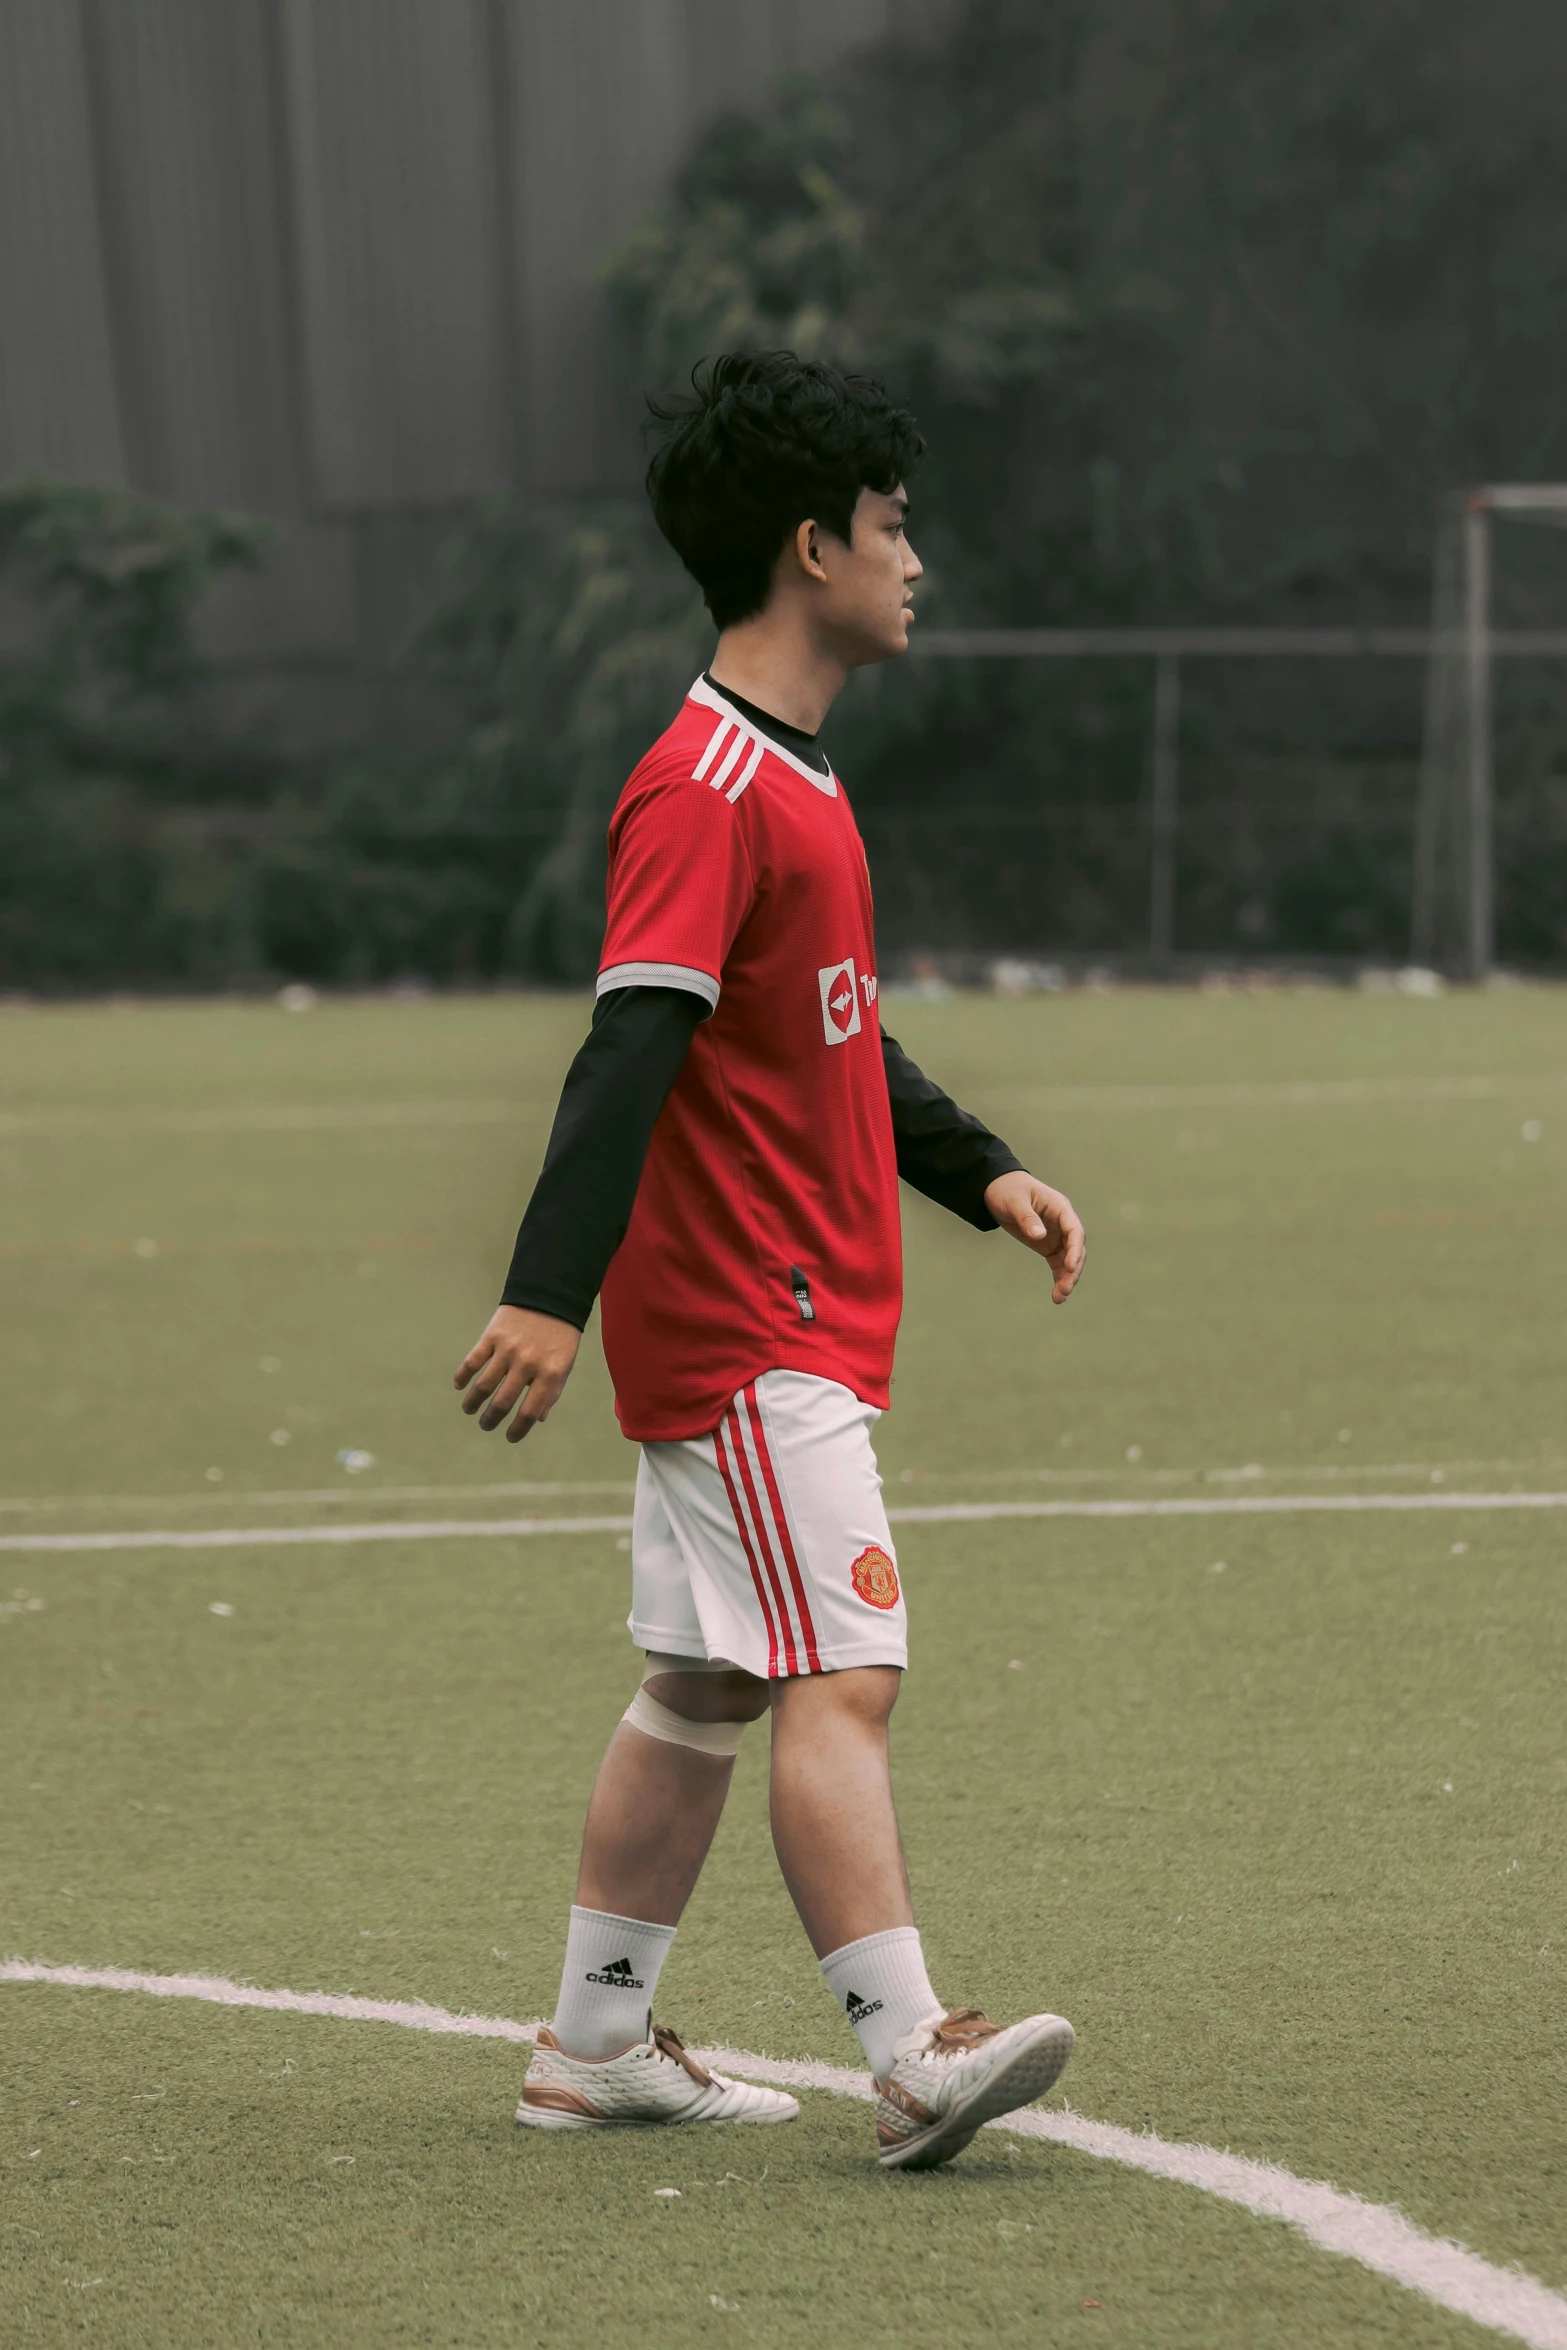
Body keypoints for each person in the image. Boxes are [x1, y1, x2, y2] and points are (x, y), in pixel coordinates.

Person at [453, 350, 1087, 2171]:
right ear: (811, 548)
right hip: (748, 1325)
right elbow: (629, 1042)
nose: (916, 563)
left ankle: (590, 2043)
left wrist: (984, 1173)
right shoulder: (707, 783)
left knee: (712, 1680)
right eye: (894, 530)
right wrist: (540, 1292)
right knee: (844, 1666)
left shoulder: (792, 781)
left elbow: (829, 1043)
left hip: (781, 1312)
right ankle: (909, 2046)